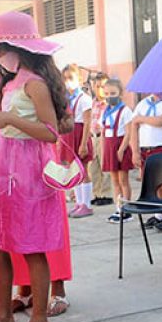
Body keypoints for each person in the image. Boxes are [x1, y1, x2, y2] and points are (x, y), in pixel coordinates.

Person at [0, 11, 70, 322]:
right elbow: (12, 129)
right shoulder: (10, 83)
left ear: (17, 48)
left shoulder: (34, 84)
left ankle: (39, 320)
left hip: (30, 174)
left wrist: (9, 118)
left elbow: (50, 133)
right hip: (7, 170)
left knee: (32, 247)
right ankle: (3, 316)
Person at [130, 91, 162, 232]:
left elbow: (161, 121)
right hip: (146, 149)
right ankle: (160, 215)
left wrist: (141, 119)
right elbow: (133, 127)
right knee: (155, 185)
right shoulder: (143, 104)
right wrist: (135, 151)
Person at [60, 64, 94, 218]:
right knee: (75, 171)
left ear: (79, 79)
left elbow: (87, 122)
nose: (68, 82)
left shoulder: (84, 99)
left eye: (71, 78)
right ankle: (79, 202)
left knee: (84, 170)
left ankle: (86, 204)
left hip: (80, 134)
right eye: (65, 79)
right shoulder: (66, 100)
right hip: (69, 135)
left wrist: (83, 143)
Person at [102, 78, 135, 224]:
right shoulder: (106, 111)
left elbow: (128, 132)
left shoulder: (125, 110)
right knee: (114, 180)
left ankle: (127, 209)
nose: (110, 96)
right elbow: (104, 131)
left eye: (113, 93)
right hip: (109, 146)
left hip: (120, 144)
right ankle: (118, 208)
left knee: (123, 179)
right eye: (107, 93)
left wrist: (121, 149)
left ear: (120, 93)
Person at [87, 71, 113, 206]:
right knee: (93, 167)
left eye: (102, 86)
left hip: (104, 137)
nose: (99, 90)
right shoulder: (92, 103)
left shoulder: (109, 105)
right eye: (96, 86)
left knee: (105, 165)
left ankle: (106, 193)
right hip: (93, 136)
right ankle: (96, 193)